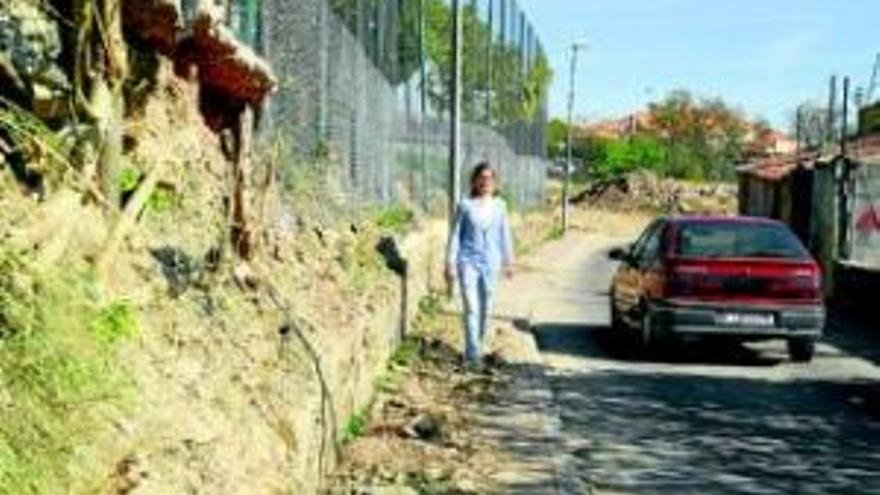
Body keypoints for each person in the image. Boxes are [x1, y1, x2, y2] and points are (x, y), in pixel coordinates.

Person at [446, 162, 515, 366]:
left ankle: (479, 343)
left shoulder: (500, 205)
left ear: (494, 182)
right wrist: (450, 262)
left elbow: (505, 234)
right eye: (482, 178)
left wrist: (509, 261)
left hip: (491, 262)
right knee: (471, 307)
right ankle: (472, 354)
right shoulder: (465, 205)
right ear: (474, 181)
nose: (486, 182)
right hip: (468, 260)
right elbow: (455, 236)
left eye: (489, 178)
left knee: (486, 307)